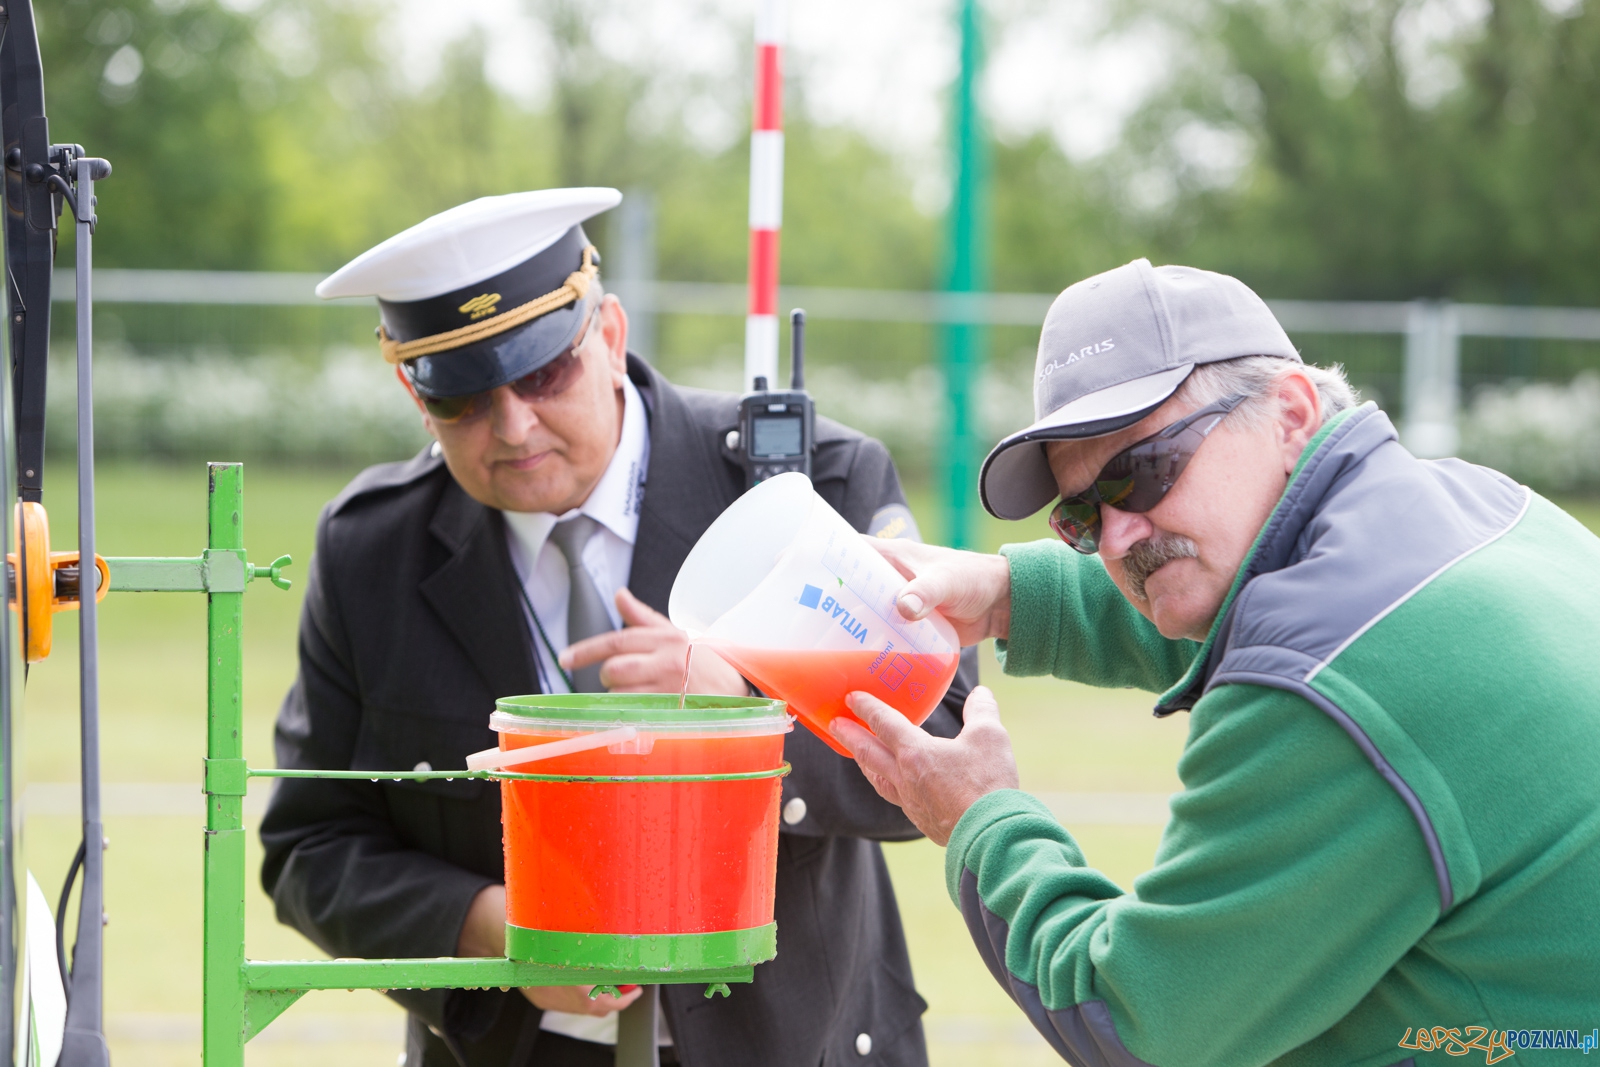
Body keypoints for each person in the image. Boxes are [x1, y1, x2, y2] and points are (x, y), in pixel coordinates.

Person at [259, 187, 976, 1067]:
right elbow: (312, 845)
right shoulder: (372, 551)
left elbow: (944, 750)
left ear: (607, 334)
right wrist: (495, 932)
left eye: (541, 372)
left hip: (795, 1044)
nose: (513, 425)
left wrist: (746, 702)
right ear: (412, 388)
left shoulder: (803, 489)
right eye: (463, 399)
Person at [832, 258, 1600, 1067]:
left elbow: (1142, 1023)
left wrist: (979, 820)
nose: (1119, 535)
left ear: (1291, 412)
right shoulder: (1481, 507)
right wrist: (1005, 594)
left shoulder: (1328, 687)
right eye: (1083, 515)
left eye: (1143, 470)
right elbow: (1247, 595)